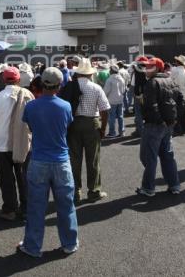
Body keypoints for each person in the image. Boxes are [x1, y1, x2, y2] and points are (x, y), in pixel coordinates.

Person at [18, 67, 78, 258]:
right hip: (61, 161)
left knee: (36, 207)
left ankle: (33, 246)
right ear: (60, 85)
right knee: (66, 205)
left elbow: (30, 126)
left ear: (41, 83)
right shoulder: (66, 106)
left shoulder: (31, 106)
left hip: (38, 161)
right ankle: (69, 243)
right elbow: (67, 126)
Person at [0, 67, 34, 220]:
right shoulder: (28, 94)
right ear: (19, 79)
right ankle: (27, 207)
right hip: (23, 143)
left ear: (4, 79)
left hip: (3, 144)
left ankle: (10, 209)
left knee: (6, 178)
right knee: (24, 176)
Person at [67, 58, 110, 204]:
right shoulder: (96, 88)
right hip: (92, 123)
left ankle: (75, 192)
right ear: (90, 74)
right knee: (93, 160)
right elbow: (105, 109)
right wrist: (103, 128)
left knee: (74, 159)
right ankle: (94, 191)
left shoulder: (69, 86)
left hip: (73, 124)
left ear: (78, 73)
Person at [136, 57, 181, 197]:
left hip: (155, 124)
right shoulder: (170, 79)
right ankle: (174, 185)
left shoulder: (152, 82)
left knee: (148, 157)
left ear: (157, 68)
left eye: (150, 67)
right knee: (167, 156)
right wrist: (173, 119)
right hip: (168, 124)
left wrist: (160, 120)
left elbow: (152, 105)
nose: (146, 69)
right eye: (146, 67)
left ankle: (148, 188)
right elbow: (181, 99)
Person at [104, 64, 126, 138]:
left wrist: (104, 97)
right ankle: (121, 132)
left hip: (111, 100)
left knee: (111, 117)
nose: (109, 71)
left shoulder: (109, 79)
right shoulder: (121, 79)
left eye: (110, 69)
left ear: (112, 70)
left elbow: (106, 91)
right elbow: (123, 90)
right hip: (120, 100)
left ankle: (112, 132)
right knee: (120, 116)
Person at [171, 55, 185, 134]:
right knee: (183, 112)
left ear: (177, 62)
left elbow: (171, 80)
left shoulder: (174, 70)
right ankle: (184, 128)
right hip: (183, 92)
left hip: (175, 93)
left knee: (175, 111)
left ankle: (177, 128)